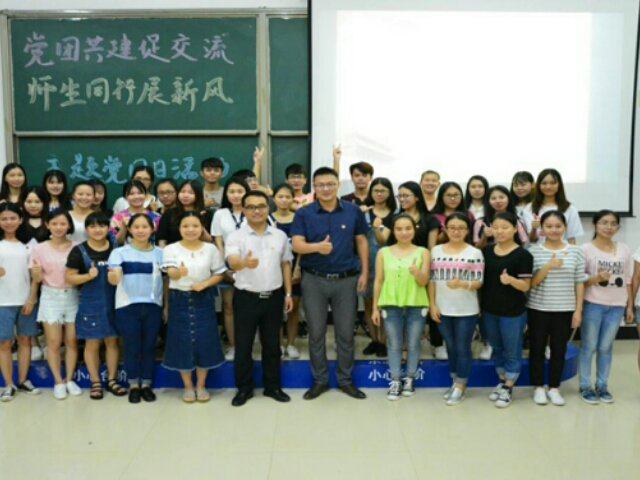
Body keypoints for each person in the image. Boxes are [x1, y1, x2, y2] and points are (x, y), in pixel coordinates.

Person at [292, 166, 369, 400]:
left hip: (346, 280)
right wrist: (317, 247)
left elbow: (362, 241)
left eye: (330, 184)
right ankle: (320, 381)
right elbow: (296, 244)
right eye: (321, 185)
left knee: (345, 334)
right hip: (313, 280)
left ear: (338, 185)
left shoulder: (353, 211)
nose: (326, 188)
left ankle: (346, 381)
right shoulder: (304, 213)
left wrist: (365, 273)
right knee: (316, 333)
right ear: (314, 187)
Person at [226, 190, 294, 406]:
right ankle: (244, 389)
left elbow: (286, 264)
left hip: (274, 297)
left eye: (261, 206)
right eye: (251, 207)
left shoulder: (280, 235)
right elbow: (232, 262)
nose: (256, 211)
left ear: (268, 208)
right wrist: (243, 263)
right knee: (243, 345)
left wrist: (288, 293)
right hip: (246, 297)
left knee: (272, 345)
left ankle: (273, 387)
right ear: (244, 210)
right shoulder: (236, 236)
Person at [162, 212, 226, 403]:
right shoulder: (171, 249)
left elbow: (219, 274)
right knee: (181, 342)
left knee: (205, 341)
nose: (190, 230)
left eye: (195, 226)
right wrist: (178, 273)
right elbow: (170, 273)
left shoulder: (211, 249)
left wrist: (205, 284)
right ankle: (188, 386)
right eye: (186, 226)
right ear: (179, 228)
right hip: (179, 298)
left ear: (202, 227)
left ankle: (201, 385)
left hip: (203, 298)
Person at [528, 211, 586, 406]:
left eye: (558, 226)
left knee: (559, 350)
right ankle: (538, 387)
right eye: (549, 226)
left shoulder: (576, 251)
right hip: (538, 308)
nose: (554, 230)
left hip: (564, 309)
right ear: (542, 229)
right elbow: (531, 283)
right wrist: (548, 266)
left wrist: (578, 310)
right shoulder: (533, 251)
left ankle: (554, 388)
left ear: (565, 228)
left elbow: (579, 282)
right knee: (537, 349)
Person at [66, 212, 125, 400]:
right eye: (92, 226)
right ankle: (95, 382)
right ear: (86, 229)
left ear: (108, 228)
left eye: (101, 226)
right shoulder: (79, 250)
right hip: (91, 303)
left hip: (115, 301)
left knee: (112, 341)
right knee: (92, 343)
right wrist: (88, 276)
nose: (97, 230)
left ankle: (112, 380)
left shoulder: (117, 248)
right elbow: (70, 278)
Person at [371, 214, 430, 401]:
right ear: (393, 231)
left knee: (413, 344)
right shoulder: (383, 252)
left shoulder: (423, 252)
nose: (404, 232)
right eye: (399, 229)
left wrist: (417, 272)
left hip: (416, 304)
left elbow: (424, 281)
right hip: (390, 304)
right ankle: (395, 380)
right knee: (394, 344)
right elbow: (378, 281)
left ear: (414, 229)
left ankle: (410, 378)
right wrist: (375, 308)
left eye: (408, 228)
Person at [579, 210, 633, 404]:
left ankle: (602, 386)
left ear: (618, 227)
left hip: (617, 306)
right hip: (593, 304)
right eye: (604, 222)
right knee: (589, 346)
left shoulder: (624, 249)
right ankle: (585, 386)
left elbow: (627, 280)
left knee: (605, 347)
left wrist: (629, 306)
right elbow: (579, 281)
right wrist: (596, 278)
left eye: (613, 223)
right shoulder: (585, 249)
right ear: (595, 225)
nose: (608, 227)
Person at [429, 213, 484, 406]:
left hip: (466, 310)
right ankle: (455, 380)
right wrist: (432, 305)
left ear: (467, 231)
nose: (456, 231)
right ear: (445, 229)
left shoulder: (474, 253)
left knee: (462, 347)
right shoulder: (435, 250)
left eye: (461, 228)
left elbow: (479, 282)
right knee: (450, 347)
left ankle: (461, 385)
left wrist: (462, 284)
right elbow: (432, 281)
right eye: (452, 227)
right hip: (442, 309)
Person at [109, 214, 164, 403]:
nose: (140, 230)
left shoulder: (161, 253)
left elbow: (166, 281)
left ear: (152, 229)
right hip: (127, 306)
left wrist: (165, 307)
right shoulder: (119, 253)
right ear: (130, 230)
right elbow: (114, 277)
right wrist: (113, 276)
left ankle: (146, 384)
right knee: (131, 346)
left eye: (145, 227)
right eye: (136, 227)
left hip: (153, 306)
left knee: (149, 346)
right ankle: (133, 384)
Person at [481, 212, 533, 408]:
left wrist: (510, 280)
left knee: (512, 350)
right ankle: (502, 381)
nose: (500, 231)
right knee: (497, 347)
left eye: (505, 227)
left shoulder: (523, 255)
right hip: (489, 310)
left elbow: (526, 286)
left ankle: (509, 386)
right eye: (496, 227)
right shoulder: (486, 251)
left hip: (513, 312)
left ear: (514, 229)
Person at [30, 209, 81, 400]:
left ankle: (69, 379)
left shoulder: (77, 247)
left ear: (69, 226)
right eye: (54, 223)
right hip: (50, 296)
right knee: (53, 342)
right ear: (47, 225)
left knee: (72, 341)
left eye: (63, 223)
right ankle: (58, 381)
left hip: (73, 296)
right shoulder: (39, 248)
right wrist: (32, 298)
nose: (59, 227)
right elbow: (36, 278)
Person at [0, 203, 40, 401]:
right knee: (4, 343)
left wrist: (31, 299)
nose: (8, 222)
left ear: (20, 219)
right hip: (2, 302)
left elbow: (35, 277)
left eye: (12, 218)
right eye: (4, 219)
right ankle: (8, 384)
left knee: (25, 340)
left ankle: (23, 380)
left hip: (25, 301)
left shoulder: (29, 245)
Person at [210, 178, 250, 361]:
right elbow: (218, 241)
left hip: (250, 266)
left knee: (248, 308)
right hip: (227, 266)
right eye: (232, 191)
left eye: (240, 191)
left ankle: (247, 345)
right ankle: (233, 346)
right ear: (226, 194)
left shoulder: (252, 211)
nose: (236, 195)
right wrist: (224, 267)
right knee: (228, 306)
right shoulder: (220, 214)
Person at [361, 177, 396, 356]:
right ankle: (374, 340)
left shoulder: (394, 215)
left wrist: (377, 227)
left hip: (386, 265)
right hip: (365, 263)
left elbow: (383, 241)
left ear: (389, 193)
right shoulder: (363, 212)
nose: (379, 194)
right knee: (368, 304)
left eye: (383, 191)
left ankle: (383, 341)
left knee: (383, 305)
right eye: (376, 190)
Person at [271, 184, 302, 358]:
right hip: (272, 271)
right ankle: (278, 345)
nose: (284, 200)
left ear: (293, 199)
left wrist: (298, 268)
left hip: (295, 269)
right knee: (275, 310)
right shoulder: (267, 219)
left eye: (287, 197)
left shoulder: (299, 218)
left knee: (293, 308)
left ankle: (291, 344)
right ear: (274, 198)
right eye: (280, 196)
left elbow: (303, 244)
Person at [523, 169, 583, 244]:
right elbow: (532, 240)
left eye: (553, 183)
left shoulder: (570, 208)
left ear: (559, 185)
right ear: (538, 185)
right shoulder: (529, 208)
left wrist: (573, 251)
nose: (548, 187)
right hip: (537, 250)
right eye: (544, 183)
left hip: (562, 250)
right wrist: (534, 228)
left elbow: (571, 238)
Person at [157, 180, 212, 247]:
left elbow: (210, 241)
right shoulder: (169, 213)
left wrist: (199, 221)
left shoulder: (205, 213)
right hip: (173, 252)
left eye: (191, 193)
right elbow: (162, 239)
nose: (185, 195)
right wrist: (164, 252)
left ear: (198, 195)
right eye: (182, 192)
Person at [109, 180, 161, 245]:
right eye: (131, 194)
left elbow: (161, 241)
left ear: (145, 195)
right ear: (125, 197)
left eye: (140, 193)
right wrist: (124, 228)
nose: (136, 196)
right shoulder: (117, 218)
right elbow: (114, 243)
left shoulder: (156, 217)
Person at [428, 181, 473, 250]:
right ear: (441, 197)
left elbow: (472, 239)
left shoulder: (469, 215)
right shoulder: (433, 217)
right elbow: (431, 245)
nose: (453, 198)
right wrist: (445, 233)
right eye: (448, 195)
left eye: (456, 195)